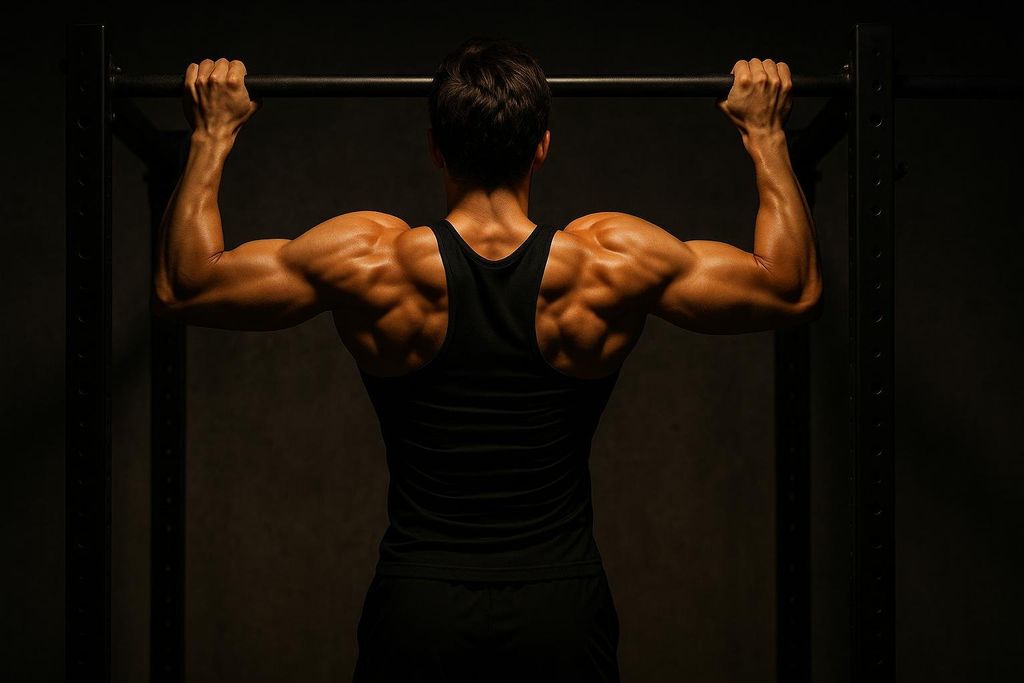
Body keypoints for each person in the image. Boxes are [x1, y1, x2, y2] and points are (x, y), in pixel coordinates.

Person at [155, 36, 821, 683]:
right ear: (542, 146)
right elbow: (790, 288)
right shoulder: (607, 262)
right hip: (559, 610)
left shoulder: (373, 260)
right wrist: (765, 135)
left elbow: (186, 284)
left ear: (436, 149)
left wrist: (212, 135)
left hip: (420, 607)